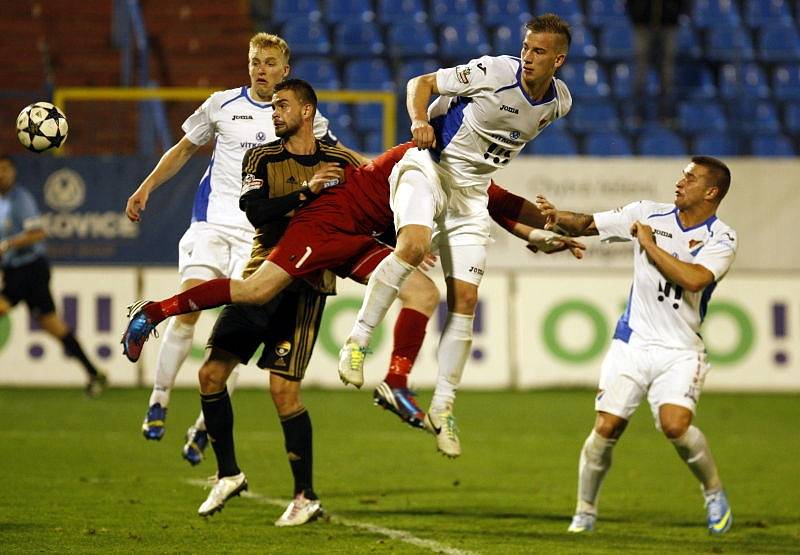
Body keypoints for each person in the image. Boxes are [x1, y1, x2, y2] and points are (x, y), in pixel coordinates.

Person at [337, 13, 573, 455]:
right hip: (429, 168)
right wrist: (418, 121)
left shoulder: (559, 103)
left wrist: (537, 233)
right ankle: (357, 341)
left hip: (471, 197)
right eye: (525, 47)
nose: (527, 57)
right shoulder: (494, 71)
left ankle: (444, 407)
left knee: (464, 301)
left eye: (538, 51)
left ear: (558, 60)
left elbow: (493, 163)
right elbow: (420, 84)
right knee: (412, 246)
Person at [124, 32, 360, 464]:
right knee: (191, 309)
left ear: (285, 70)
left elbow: (336, 156)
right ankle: (159, 398)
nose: (260, 69)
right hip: (212, 223)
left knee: (236, 331)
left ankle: (202, 425)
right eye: (255, 61)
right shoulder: (222, 105)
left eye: (270, 62)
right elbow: (183, 149)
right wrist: (146, 187)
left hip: (261, 237)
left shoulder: (302, 117)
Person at [535, 156, 736, 535]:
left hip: (680, 349)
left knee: (675, 426)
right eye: (681, 176)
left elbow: (694, 280)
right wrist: (557, 216)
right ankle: (585, 511)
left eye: (690, 179)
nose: (679, 183)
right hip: (633, 341)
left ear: (711, 191)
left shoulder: (721, 238)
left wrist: (649, 245)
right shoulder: (648, 214)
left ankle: (713, 492)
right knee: (606, 427)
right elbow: (588, 223)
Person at [0, 155, 107, 397]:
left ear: (13, 173)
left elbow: (37, 233)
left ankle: (93, 372)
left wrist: (7, 246)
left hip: (30, 269)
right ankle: (93, 372)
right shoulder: (2, 202)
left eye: (6, 169)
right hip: (13, 270)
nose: (2, 174)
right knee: (53, 326)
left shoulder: (20, 199)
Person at [627, 0, 685, 122]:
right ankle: (638, 114)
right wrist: (637, 13)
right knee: (640, 71)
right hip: (642, 24)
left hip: (669, 24)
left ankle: (666, 114)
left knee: (667, 73)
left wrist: (674, 12)